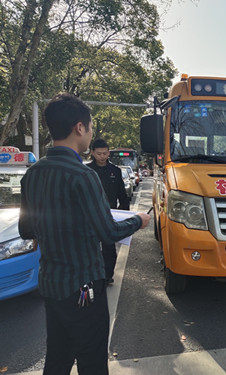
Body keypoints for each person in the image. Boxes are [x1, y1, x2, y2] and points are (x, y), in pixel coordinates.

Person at [18, 93, 151, 375]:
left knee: (57, 356)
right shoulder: (82, 175)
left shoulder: (33, 174)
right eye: (90, 127)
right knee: (91, 359)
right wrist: (138, 220)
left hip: (51, 284)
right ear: (80, 128)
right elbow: (107, 231)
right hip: (83, 289)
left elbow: (26, 229)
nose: (91, 133)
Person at [88, 139, 129, 284]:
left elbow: (122, 195)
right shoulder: (86, 171)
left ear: (108, 153)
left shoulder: (115, 171)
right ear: (92, 153)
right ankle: (92, 275)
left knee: (109, 248)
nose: (102, 156)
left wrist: (125, 216)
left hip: (109, 215)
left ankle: (107, 276)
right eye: (99, 153)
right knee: (90, 248)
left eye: (105, 153)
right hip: (89, 216)